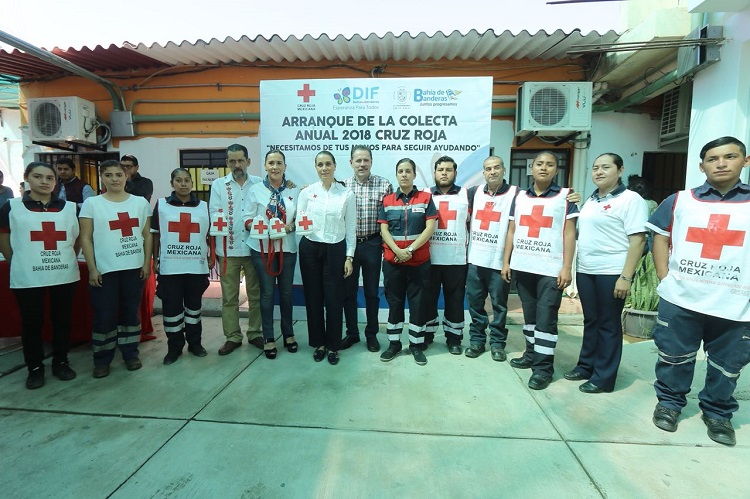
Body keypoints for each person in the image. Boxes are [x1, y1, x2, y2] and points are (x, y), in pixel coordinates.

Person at [647, 136, 750, 447]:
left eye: (730, 157)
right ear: (702, 165)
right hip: (682, 298)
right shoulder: (680, 200)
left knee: (727, 365)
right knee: (673, 356)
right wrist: (664, 278)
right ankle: (669, 403)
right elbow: (660, 236)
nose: (721, 163)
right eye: (713, 158)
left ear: (745, 161)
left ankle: (717, 413)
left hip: (736, 303)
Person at [564, 153, 647, 393]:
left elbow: (638, 240)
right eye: (595, 168)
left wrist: (626, 277)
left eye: (605, 167)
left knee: (608, 323)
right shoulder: (591, 200)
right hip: (586, 269)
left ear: (620, 170)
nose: (599, 172)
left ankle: (604, 377)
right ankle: (585, 366)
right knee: (591, 320)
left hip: (612, 271)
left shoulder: (631, 200)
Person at [502, 151, 578, 390]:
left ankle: (543, 369)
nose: (544, 168)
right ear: (531, 168)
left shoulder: (566, 196)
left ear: (556, 169)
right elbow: (512, 231)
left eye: (550, 164)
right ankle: (531, 354)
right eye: (539, 164)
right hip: (524, 266)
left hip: (550, 269)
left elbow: (569, 233)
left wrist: (567, 267)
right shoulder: (520, 197)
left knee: (546, 319)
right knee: (530, 316)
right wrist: (506, 261)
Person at [0, 162, 80, 389]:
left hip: (63, 273)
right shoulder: (11, 207)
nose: (44, 182)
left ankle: (61, 362)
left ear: (56, 182)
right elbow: (4, 238)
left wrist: (67, 258)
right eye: (38, 176)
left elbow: (75, 240)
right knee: (31, 322)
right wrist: (16, 261)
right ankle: (34, 368)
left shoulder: (69, 208)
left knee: (62, 320)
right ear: (27, 178)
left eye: (49, 178)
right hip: (28, 275)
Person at [79, 159, 152, 378]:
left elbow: (147, 235)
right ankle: (102, 359)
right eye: (108, 175)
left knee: (130, 313)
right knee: (105, 315)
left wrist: (146, 262)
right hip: (105, 270)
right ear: (102, 178)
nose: (114, 179)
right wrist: (92, 268)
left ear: (127, 176)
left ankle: (130, 354)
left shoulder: (139, 203)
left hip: (133, 268)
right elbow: (85, 237)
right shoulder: (92, 204)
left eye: (119, 174)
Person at [297, 150, 356, 365]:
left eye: (328, 164)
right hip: (310, 248)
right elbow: (300, 221)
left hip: (335, 249)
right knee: (313, 297)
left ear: (335, 166)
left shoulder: (346, 194)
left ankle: (333, 345)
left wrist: (349, 257)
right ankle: (319, 344)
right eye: (320, 165)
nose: (324, 168)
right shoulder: (307, 192)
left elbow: (350, 229)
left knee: (334, 299)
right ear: (315, 167)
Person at [379, 158, 437, 366]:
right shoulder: (387, 200)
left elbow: (430, 228)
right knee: (395, 304)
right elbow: (384, 229)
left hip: (418, 263)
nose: (404, 174)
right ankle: (394, 344)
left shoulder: (425, 198)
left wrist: (410, 250)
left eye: (408, 171)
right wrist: (397, 250)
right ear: (396, 175)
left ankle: (416, 345)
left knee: (418, 305)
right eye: (400, 171)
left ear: (414, 174)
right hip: (393, 262)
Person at [243, 150, 300, 359]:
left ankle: (288, 334)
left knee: (286, 293)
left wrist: (289, 227)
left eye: (279, 163)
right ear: (265, 166)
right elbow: (247, 219)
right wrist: (259, 228)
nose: (275, 167)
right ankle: (268, 337)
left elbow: (300, 218)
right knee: (267, 294)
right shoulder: (255, 190)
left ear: (285, 166)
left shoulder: (293, 190)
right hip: (262, 249)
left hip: (287, 248)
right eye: (271, 163)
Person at [151, 168, 210, 365]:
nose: (183, 184)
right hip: (171, 268)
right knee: (172, 310)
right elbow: (155, 234)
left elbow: (209, 236)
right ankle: (174, 347)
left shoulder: (203, 206)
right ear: (172, 183)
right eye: (178, 180)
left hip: (195, 267)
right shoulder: (161, 205)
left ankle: (195, 344)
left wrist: (211, 257)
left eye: (186, 180)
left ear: (192, 183)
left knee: (194, 309)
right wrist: (155, 259)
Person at [209, 144, 263, 355]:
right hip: (228, 249)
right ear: (227, 163)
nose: (237, 165)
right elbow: (214, 212)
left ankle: (255, 333)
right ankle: (232, 336)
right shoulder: (218, 185)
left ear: (248, 161)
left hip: (253, 247)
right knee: (229, 297)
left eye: (240, 160)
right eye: (232, 161)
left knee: (256, 294)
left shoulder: (259, 183)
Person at [464, 156, 518, 362]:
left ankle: (497, 343)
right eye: (488, 168)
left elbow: (540, 199)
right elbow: (447, 197)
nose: (492, 172)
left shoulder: (516, 194)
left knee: (499, 306)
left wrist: (568, 196)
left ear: (504, 170)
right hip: (475, 260)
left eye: (496, 167)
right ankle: (477, 341)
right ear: (483, 173)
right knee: (475, 304)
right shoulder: (474, 192)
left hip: (499, 262)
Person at [341, 145, 393, 353]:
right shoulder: (342, 186)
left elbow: (390, 218)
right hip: (349, 247)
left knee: (372, 292)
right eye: (358, 160)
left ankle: (371, 334)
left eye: (366, 160)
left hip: (373, 244)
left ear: (371, 162)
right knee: (348, 292)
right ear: (351, 162)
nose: (362, 164)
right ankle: (352, 333)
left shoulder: (384, 185)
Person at [423, 155, 470, 355]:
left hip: (456, 259)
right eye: (440, 169)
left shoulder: (466, 194)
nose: (444, 173)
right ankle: (427, 335)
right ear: (434, 173)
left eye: (448, 170)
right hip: (430, 258)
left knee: (455, 300)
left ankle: (454, 338)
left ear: (455, 173)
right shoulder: (425, 194)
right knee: (427, 299)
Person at [120, 154, 156, 342]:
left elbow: (141, 198)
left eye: (128, 166)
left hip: (137, 237)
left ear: (136, 167)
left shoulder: (145, 183)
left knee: (134, 295)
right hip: (118, 238)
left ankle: (134, 335)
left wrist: (125, 181)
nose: (125, 169)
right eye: (122, 166)